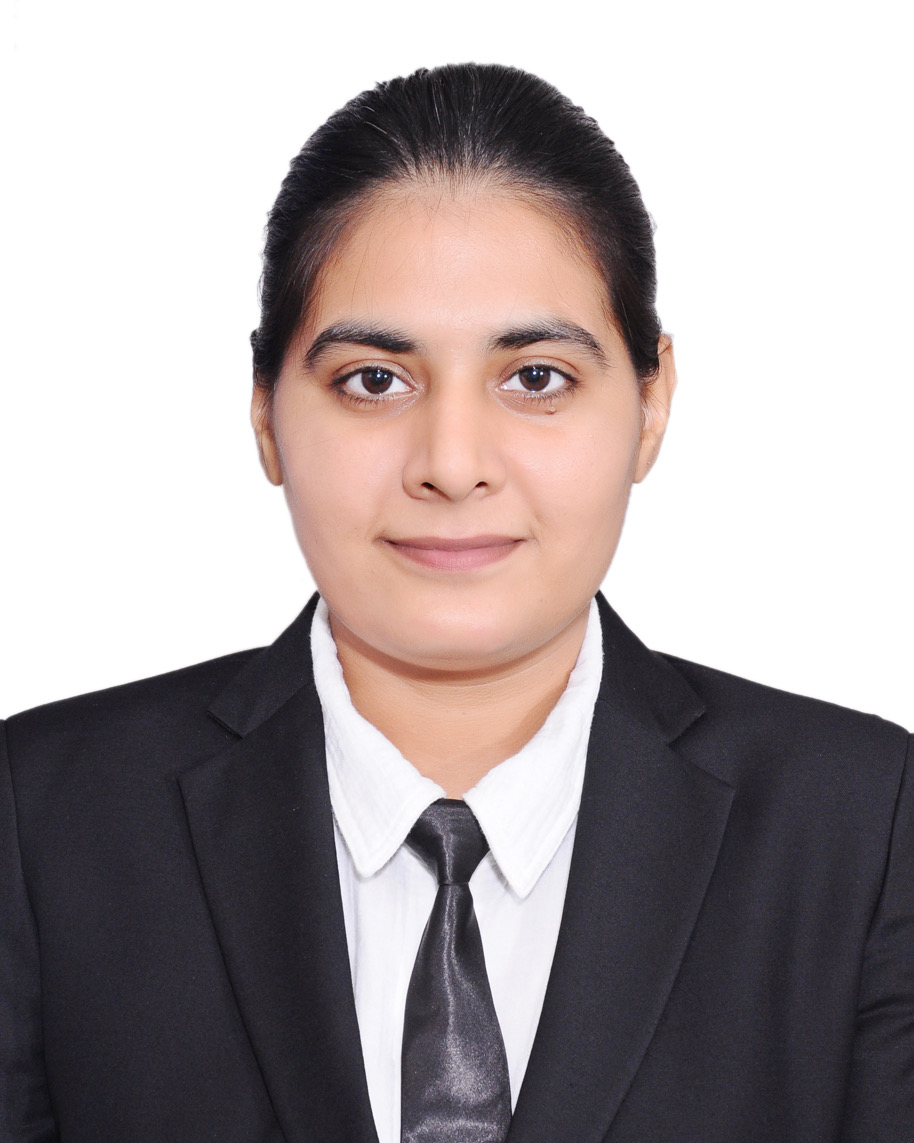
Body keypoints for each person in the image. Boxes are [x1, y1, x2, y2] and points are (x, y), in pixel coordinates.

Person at [1, 62, 911, 1143]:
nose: (450, 462)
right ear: (264, 413)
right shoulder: (43, 822)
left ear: (650, 401)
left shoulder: (863, 828)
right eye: (372, 380)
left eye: (535, 377)